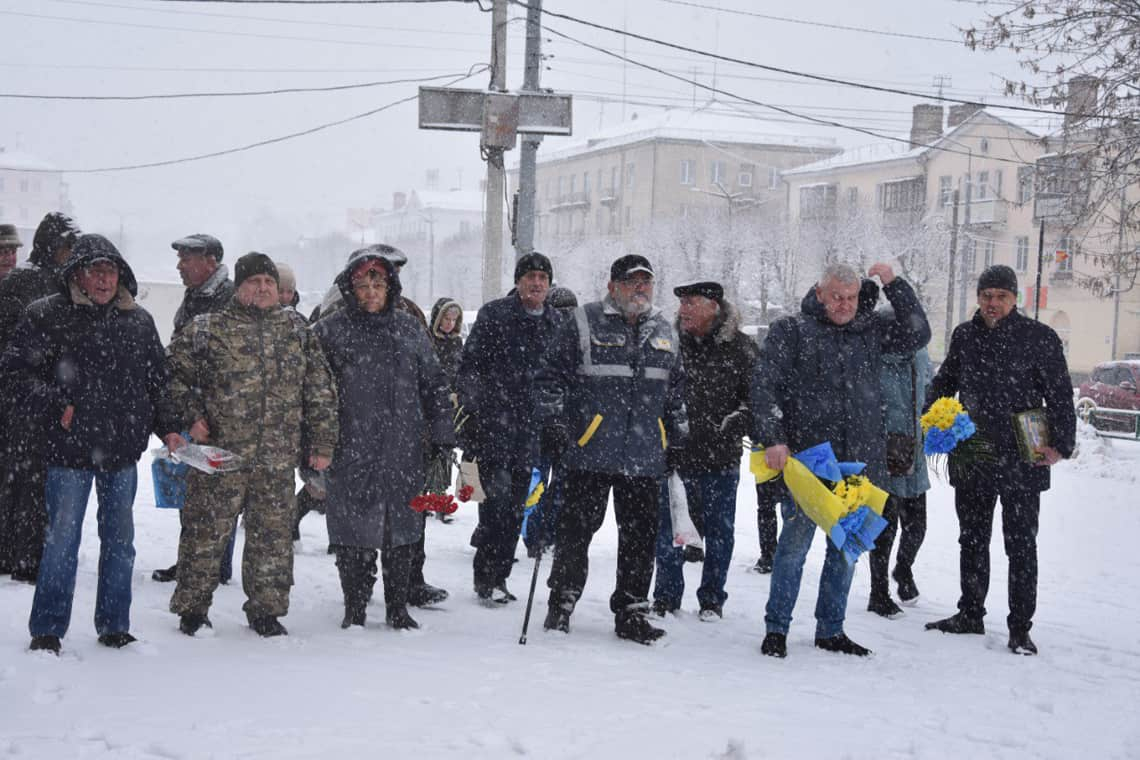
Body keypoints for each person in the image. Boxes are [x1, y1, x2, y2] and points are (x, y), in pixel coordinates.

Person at [0, 234, 179, 654]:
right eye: (95, 270)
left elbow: (158, 384)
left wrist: (169, 427)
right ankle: (47, 628)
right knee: (61, 541)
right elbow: (14, 374)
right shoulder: (46, 315)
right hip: (67, 451)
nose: (103, 279)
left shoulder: (139, 322)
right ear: (77, 273)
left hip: (120, 453)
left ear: (121, 275)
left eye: (110, 270)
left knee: (120, 543)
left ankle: (114, 625)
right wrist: (57, 405)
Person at [751, 262, 930, 658]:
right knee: (794, 548)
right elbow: (764, 386)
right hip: (810, 462)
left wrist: (894, 284)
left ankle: (831, 629)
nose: (844, 305)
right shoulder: (791, 331)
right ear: (819, 293)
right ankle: (776, 628)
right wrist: (774, 438)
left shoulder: (871, 331)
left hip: (861, 464)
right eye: (836, 297)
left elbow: (919, 331)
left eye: (850, 298)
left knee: (845, 550)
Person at [166, 253, 339, 637]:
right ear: (239, 286)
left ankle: (267, 610)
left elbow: (320, 389)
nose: (262, 288)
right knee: (205, 534)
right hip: (219, 456)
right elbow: (172, 377)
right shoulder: (208, 329)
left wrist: (323, 441)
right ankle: (193, 609)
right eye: (254, 281)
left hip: (276, 458)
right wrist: (191, 416)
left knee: (272, 537)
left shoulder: (296, 330)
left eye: (269, 282)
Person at [924, 265, 1076, 656]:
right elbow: (945, 383)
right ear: (978, 297)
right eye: (987, 296)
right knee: (971, 540)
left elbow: (1059, 394)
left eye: (1001, 297)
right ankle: (970, 613)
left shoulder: (1039, 338)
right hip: (974, 453)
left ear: (1014, 300)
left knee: (1021, 545)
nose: (993, 304)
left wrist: (1060, 443)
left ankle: (1020, 628)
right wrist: (931, 416)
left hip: (1023, 456)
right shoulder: (965, 335)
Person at [536, 254, 688, 645]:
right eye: (632, 282)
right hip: (588, 451)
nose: (640, 289)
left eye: (646, 283)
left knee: (639, 539)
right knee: (575, 533)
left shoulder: (664, 330)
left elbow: (677, 393)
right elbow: (550, 378)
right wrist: (554, 422)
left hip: (644, 454)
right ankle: (562, 602)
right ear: (612, 286)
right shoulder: (583, 321)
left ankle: (632, 611)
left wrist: (678, 437)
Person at [313, 250, 454, 629]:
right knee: (353, 535)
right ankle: (354, 609)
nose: (371, 291)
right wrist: (314, 444)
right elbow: (311, 392)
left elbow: (435, 385)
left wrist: (442, 433)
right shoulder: (330, 331)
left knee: (403, 532)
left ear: (390, 287)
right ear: (350, 288)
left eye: (379, 284)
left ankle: (397, 608)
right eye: (363, 284)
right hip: (350, 451)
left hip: (404, 449)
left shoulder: (409, 329)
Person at [457, 252, 561, 604]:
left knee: (517, 508)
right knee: (495, 507)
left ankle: (500, 575)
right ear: (518, 281)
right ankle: (486, 577)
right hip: (493, 428)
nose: (536, 284)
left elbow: (564, 376)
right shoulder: (495, 315)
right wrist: (475, 408)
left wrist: (558, 414)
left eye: (543, 278)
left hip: (533, 434)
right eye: (530, 277)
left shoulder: (556, 323)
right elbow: (470, 367)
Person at [651, 281, 755, 622]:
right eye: (681, 303)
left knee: (720, 533)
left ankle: (712, 599)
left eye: (692, 303)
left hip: (721, 459)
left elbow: (756, 400)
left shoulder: (741, 348)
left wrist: (730, 424)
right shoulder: (668, 345)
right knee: (670, 532)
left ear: (713, 306)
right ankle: (666, 596)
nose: (684, 309)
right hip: (676, 458)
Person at [152, 233, 237, 585]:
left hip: (220, 416)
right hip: (195, 412)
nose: (179, 266)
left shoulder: (228, 300)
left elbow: (230, 364)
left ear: (210, 262)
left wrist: (212, 412)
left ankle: (215, 565)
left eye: (187, 258)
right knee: (194, 495)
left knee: (220, 495)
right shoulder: (193, 299)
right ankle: (194, 561)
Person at [0, 212, 80, 583]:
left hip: (44, 397)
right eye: (66, 246)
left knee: (33, 479)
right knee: (23, 480)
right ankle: (22, 555)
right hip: (21, 397)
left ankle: (22, 552)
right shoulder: (25, 283)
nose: (70, 253)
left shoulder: (63, 281)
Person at [867, 341, 933, 618]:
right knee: (884, 529)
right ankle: (878, 592)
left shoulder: (919, 354)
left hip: (914, 451)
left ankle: (903, 569)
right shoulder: (873, 355)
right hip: (885, 452)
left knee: (917, 526)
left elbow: (929, 390)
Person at [426, 297, 463, 524]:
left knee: (444, 456)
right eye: (446, 319)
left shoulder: (457, 343)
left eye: (454, 319)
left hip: (450, 408)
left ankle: (440, 502)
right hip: (430, 406)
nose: (449, 324)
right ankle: (421, 500)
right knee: (426, 455)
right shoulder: (428, 340)